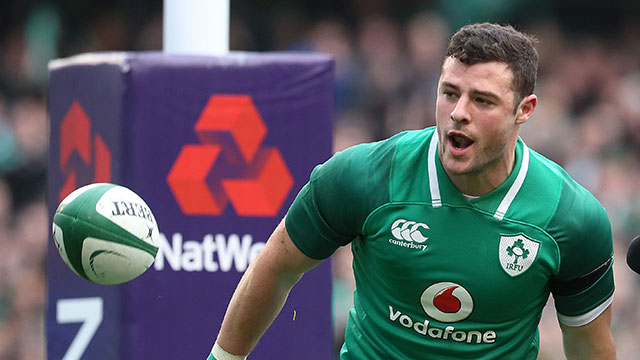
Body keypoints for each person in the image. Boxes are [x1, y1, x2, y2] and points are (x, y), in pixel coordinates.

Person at [207, 22, 616, 359]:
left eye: (483, 101)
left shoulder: (571, 218)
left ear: (524, 110)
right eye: (450, 93)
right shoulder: (364, 176)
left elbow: (587, 345)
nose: (458, 113)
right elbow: (276, 267)